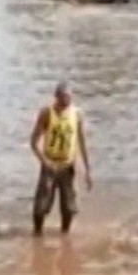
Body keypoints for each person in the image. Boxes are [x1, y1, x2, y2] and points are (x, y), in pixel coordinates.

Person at [29, 81, 92, 235]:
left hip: (67, 166)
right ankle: (37, 234)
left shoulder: (77, 114)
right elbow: (33, 142)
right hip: (50, 165)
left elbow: (82, 141)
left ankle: (65, 235)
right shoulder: (46, 113)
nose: (66, 101)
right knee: (41, 206)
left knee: (69, 206)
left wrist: (87, 170)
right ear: (56, 97)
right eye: (63, 97)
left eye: (68, 97)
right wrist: (44, 161)